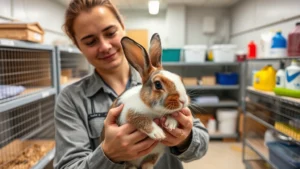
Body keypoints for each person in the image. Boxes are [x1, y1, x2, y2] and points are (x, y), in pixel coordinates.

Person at [53, 0, 209, 168]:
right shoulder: (71, 99)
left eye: (111, 33)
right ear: (78, 45)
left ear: (122, 26)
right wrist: (108, 154)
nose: (105, 46)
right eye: (90, 42)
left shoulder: (163, 82)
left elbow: (202, 141)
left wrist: (185, 138)